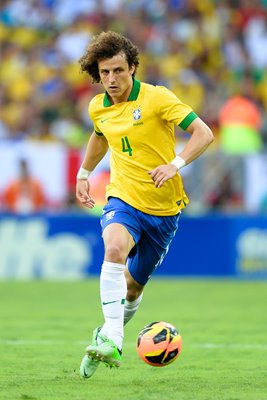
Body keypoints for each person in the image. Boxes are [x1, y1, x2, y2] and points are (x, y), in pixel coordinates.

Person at [76, 31, 214, 379]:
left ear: (133, 68)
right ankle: (115, 342)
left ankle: (104, 334)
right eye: (104, 72)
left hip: (164, 210)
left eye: (118, 71)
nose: (111, 79)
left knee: (133, 287)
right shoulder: (98, 106)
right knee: (114, 246)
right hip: (123, 197)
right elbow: (98, 134)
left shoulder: (157, 99)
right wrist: (84, 172)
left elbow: (204, 133)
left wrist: (175, 164)